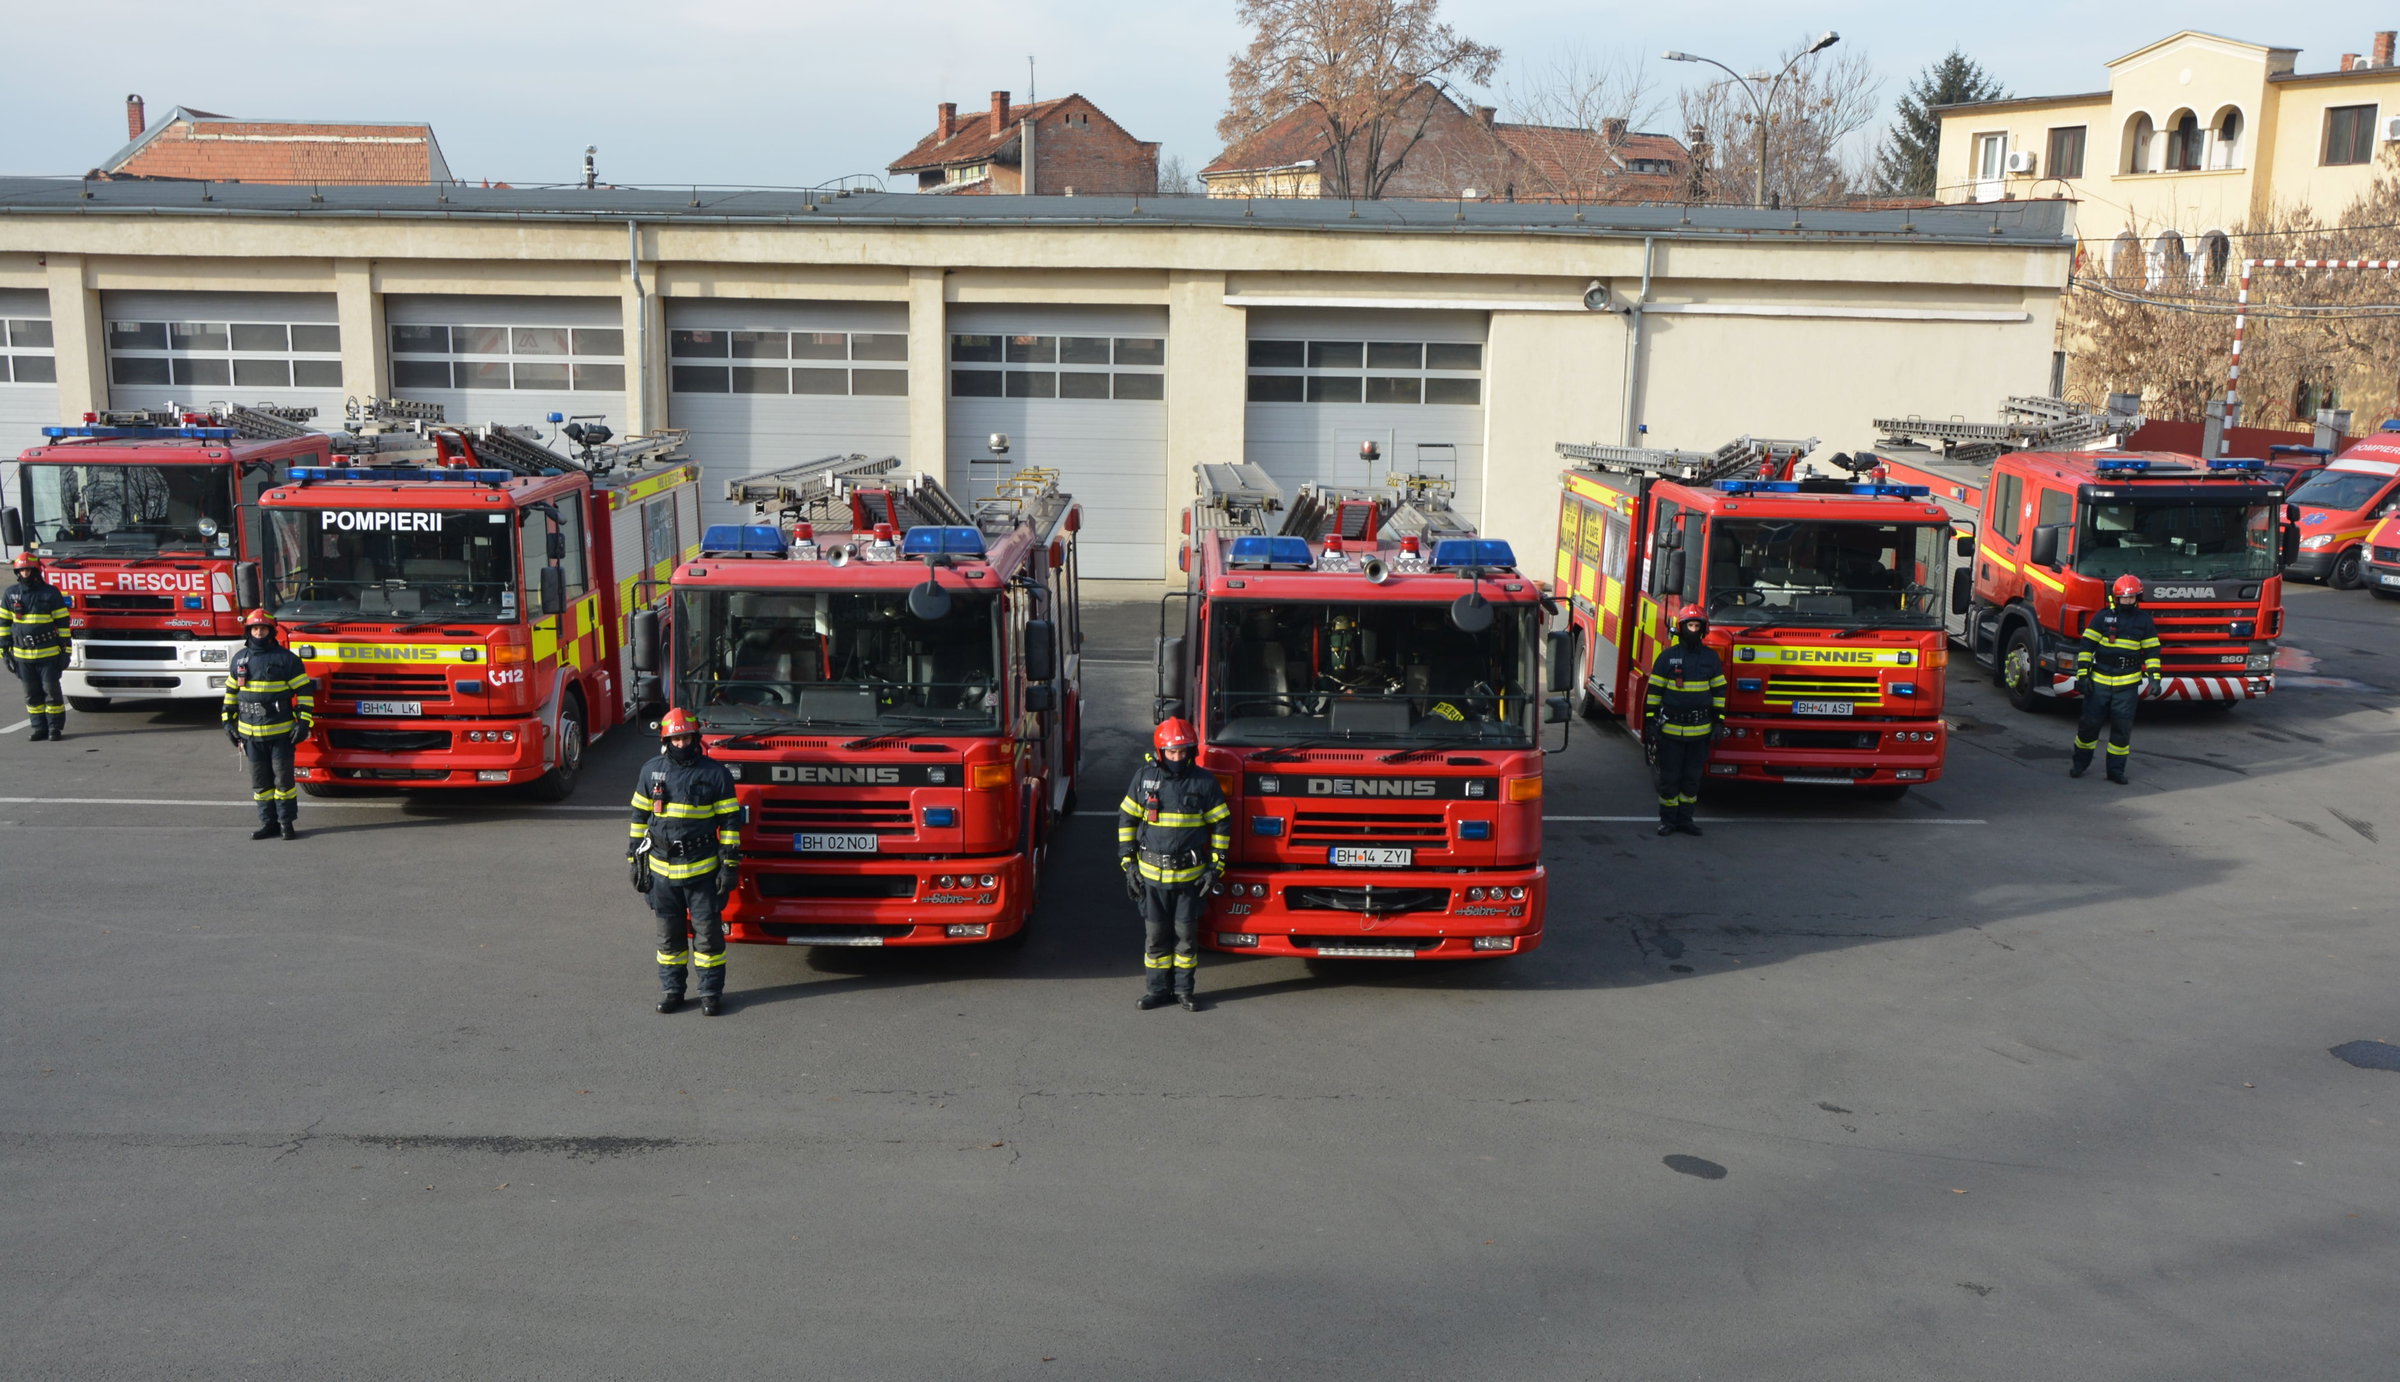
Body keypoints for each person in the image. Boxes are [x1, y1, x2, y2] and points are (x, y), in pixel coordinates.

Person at [628, 708, 741, 1016]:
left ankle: (710, 994)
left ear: (696, 738)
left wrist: (729, 865)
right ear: (666, 740)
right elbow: (639, 817)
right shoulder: (650, 771)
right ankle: (673, 991)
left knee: (708, 939)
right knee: (669, 940)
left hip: (703, 871)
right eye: (676, 738)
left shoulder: (715, 774)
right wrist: (634, 858)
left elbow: (730, 822)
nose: (681, 744)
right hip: (661, 873)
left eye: (686, 737)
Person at [1116, 717, 1230, 1012]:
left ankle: (1183, 991)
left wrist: (1215, 867)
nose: (1177, 758)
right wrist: (1128, 864)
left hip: (1189, 881)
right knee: (1155, 940)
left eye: (1182, 752)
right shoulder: (1144, 778)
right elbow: (1127, 820)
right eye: (1171, 752)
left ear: (1191, 752)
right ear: (1160, 752)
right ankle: (1157, 991)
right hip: (1151, 880)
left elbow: (1221, 824)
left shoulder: (1205, 782)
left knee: (1186, 940)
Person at [222, 609, 313, 839]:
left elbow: (304, 692)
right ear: (249, 631)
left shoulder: (287, 659)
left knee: (284, 782)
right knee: (261, 785)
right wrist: (228, 723)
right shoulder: (240, 659)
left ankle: (286, 823)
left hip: (281, 734)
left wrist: (303, 722)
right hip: (250, 736)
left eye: (263, 628)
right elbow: (231, 694)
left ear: (271, 631)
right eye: (255, 628)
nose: (259, 632)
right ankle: (268, 823)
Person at [2070, 574, 2163, 784]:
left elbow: (2152, 653)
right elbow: (2086, 648)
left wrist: (2154, 679)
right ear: (2116, 598)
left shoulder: (2144, 621)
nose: (2128, 602)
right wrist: (2082, 676)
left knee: (2121, 731)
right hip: (2099, 682)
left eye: (2132, 598)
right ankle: (2079, 764)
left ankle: (2115, 771)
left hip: (2127, 685)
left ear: (2138, 598)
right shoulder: (2102, 617)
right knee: (2089, 726)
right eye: (2124, 598)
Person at [1645, 604, 1726, 837]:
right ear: (1681, 628)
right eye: (1689, 625)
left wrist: (1719, 722)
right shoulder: (1667, 658)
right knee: (1670, 779)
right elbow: (1654, 691)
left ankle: (1686, 820)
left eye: (1697, 625)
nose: (1693, 629)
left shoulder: (1710, 658)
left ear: (1703, 629)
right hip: (1671, 731)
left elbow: (1719, 691)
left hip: (1700, 732)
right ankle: (1667, 821)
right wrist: (1650, 722)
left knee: (1692, 780)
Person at [3, 552, 72, 742]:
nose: (25, 573)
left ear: (36, 570)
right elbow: (4, 624)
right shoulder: (10, 594)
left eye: (28, 569)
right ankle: (38, 728)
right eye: (22, 570)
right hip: (22, 656)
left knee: (51, 692)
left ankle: (54, 728)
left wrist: (66, 651)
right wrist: (5, 653)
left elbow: (63, 624)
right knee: (31, 695)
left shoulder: (50, 593)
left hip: (48, 654)